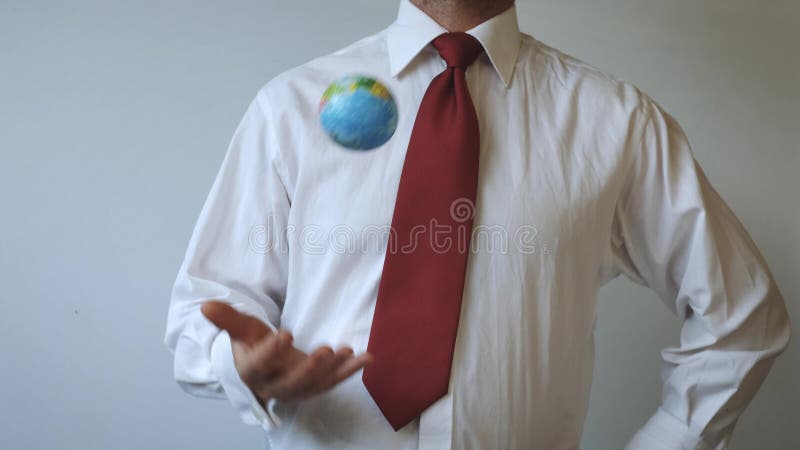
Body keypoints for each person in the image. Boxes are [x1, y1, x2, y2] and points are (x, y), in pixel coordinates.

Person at [164, 0, 791, 449]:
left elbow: (744, 319)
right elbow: (202, 314)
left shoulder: (617, 123)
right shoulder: (291, 108)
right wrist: (238, 364)